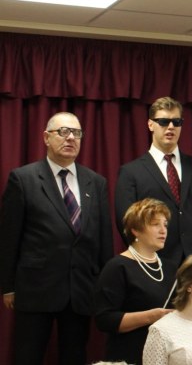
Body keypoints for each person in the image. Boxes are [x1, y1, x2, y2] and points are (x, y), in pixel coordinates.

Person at [0, 112, 113, 365]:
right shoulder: (23, 179)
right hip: (35, 288)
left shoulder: (96, 183)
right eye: (63, 132)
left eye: (77, 133)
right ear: (46, 138)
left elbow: (103, 239)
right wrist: (8, 286)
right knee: (27, 357)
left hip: (80, 290)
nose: (71, 138)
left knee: (74, 357)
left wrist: (103, 285)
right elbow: (9, 238)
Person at [115, 96, 192, 263]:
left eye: (176, 122)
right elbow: (127, 224)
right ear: (150, 124)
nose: (171, 127)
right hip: (153, 263)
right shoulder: (131, 172)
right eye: (164, 121)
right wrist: (145, 258)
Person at [95, 198, 178, 365]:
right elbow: (105, 320)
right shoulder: (117, 267)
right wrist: (150, 316)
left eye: (165, 225)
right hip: (129, 355)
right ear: (135, 230)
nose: (163, 230)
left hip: (167, 355)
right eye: (155, 224)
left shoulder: (171, 268)